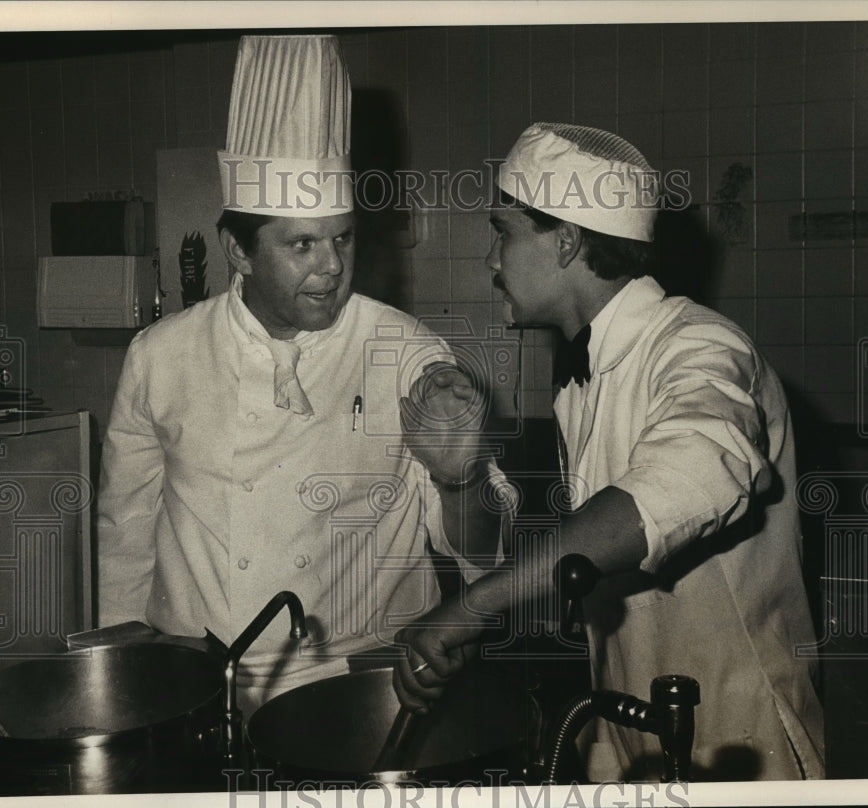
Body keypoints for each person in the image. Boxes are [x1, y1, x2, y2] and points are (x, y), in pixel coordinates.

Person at [392, 122, 825, 781]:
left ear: (566, 241)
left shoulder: (701, 345)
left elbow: (690, 476)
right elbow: (587, 562)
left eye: (503, 232)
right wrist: (465, 506)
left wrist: (476, 604)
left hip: (736, 744)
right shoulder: (585, 380)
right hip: (627, 732)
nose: (491, 261)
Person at [97, 35, 505, 715]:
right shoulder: (161, 355)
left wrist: (459, 477)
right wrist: (121, 677)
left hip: (363, 681)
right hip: (197, 686)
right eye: (301, 245)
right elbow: (125, 530)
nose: (332, 266)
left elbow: (480, 558)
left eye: (342, 237)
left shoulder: (406, 352)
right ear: (239, 250)